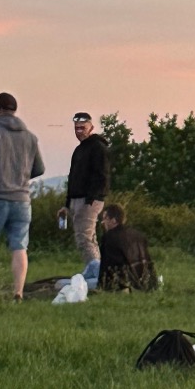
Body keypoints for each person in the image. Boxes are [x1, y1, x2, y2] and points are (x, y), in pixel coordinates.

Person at [0, 91, 45, 298]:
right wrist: (21, 175)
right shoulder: (30, 137)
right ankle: (18, 293)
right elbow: (39, 168)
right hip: (22, 200)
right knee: (20, 247)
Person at [66, 112, 109, 276]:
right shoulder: (79, 150)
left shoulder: (98, 148)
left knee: (84, 238)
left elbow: (102, 176)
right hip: (77, 199)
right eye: (76, 128)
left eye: (82, 128)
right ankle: (98, 271)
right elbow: (72, 178)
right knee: (89, 238)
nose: (79, 131)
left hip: (89, 200)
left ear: (91, 128)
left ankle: (96, 274)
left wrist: (91, 199)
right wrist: (67, 204)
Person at [96, 204, 157, 291]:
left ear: (113, 220)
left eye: (105, 218)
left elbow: (106, 266)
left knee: (87, 275)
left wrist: (101, 285)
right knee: (93, 265)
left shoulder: (109, 237)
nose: (103, 222)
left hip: (121, 283)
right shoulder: (138, 235)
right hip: (143, 281)